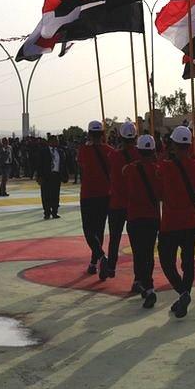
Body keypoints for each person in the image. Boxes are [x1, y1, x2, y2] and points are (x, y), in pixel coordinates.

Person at [157, 126, 195, 318]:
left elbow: (158, 193)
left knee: (166, 261)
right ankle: (184, 293)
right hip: (190, 221)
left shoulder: (163, 167)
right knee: (188, 262)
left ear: (174, 145)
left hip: (170, 223)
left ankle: (182, 292)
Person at [122, 134, 162, 309]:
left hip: (134, 216)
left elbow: (123, 172)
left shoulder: (130, 169)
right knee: (148, 252)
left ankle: (147, 286)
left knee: (139, 253)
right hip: (152, 217)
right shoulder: (158, 169)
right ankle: (145, 283)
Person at [77, 121, 114, 276]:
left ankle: (99, 256)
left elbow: (81, 168)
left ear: (90, 134)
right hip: (105, 194)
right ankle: (94, 263)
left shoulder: (83, 151)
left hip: (88, 194)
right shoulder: (110, 151)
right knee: (99, 229)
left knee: (88, 230)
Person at [105, 122, 138, 280]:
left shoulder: (114, 156)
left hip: (117, 203)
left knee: (114, 238)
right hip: (135, 204)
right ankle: (138, 276)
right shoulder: (141, 154)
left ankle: (111, 266)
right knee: (137, 243)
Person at [37, 134, 66, 220]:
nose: (57, 142)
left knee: (55, 194)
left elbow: (63, 164)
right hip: (46, 176)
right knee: (46, 195)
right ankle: (47, 212)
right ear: (50, 142)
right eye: (55, 140)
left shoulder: (60, 151)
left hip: (56, 175)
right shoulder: (43, 151)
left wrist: (64, 175)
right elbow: (39, 164)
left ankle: (55, 212)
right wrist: (39, 176)